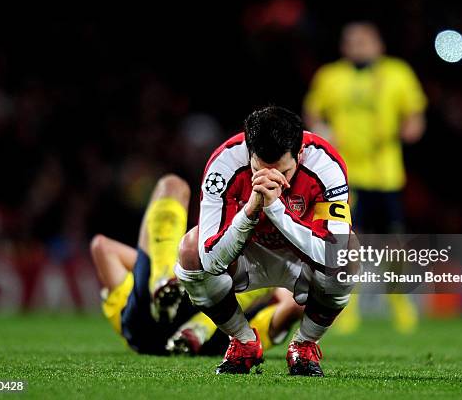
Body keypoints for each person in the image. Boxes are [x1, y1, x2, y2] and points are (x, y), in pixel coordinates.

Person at [175, 106, 354, 376]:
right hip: (247, 255)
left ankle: (304, 345)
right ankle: (243, 341)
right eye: (259, 169)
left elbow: (333, 252)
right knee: (190, 250)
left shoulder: (326, 165)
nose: (271, 179)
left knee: (348, 253)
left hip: (301, 257)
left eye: (283, 172)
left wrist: (275, 209)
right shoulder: (223, 165)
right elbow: (210, 259)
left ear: (300, 154)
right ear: (249, 152)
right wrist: (250, 211)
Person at [90, 174, 303, 355]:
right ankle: (202, 325)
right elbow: (295, 305)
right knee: (264, 271)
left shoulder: (131, 325)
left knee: (172, 185)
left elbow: (101, 246)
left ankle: (164, 277)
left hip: (147, 326)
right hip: (214, 340)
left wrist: (163, 261)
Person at [304, 21, 427, 334]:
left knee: (393, 241)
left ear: (379, 44)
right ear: (344, 47)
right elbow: (314, 113)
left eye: (365, 41)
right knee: (345, 237)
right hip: (344, 174)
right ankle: (347, 304)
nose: (359, 47)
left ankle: (399, 302)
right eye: (352, 42)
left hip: (386, 173)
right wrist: (322, 131)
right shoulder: (330, 77)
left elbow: (415, 115)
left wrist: (410, 127)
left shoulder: (398, 73)